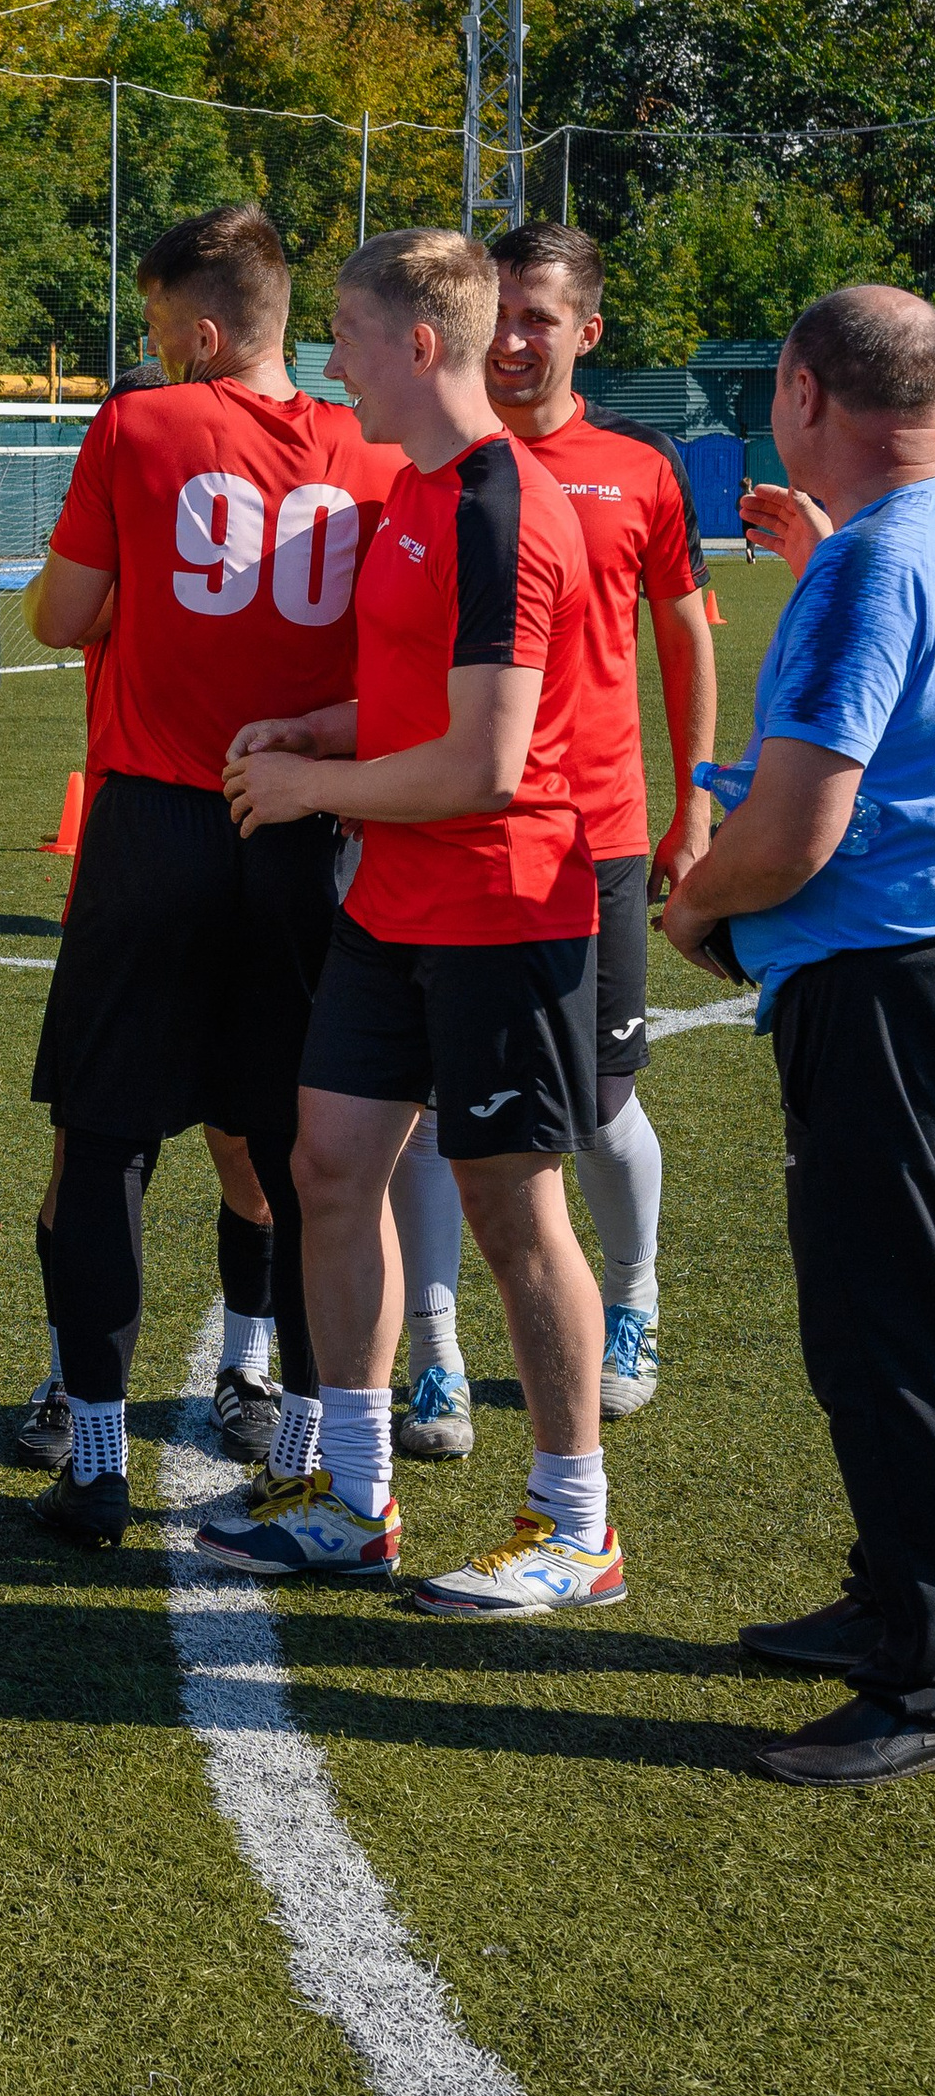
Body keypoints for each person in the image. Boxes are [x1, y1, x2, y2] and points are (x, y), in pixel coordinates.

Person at [205, 228, 623, 1619]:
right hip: (395, 902)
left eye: (347, 333)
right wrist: (315, 724)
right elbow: (413, 699)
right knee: (330, 1167)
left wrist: (309, 781)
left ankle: (574, 1520)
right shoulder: (414, 495)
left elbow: (486, 762)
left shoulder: (506, 505)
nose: (331, 360)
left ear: (418, 347)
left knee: (513, 1209)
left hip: (506, 910)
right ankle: (354, 1499)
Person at [19, 205, 403, 1541]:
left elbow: (59, 613)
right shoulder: (374, 449)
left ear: (197, 328)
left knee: (108, 1142)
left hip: (154, 825)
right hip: (303, 829)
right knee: (308, 1160)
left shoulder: (140, 425)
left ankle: (98, 1459)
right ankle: (298, 1439)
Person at [385, 222, 714, 1462]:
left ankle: (629, 1300)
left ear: (586, 333)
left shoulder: (634, 470)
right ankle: (434, 1354)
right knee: (420, 1107)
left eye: (539, 317)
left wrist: (695, 801)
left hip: (593, 842)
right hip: (437, 834)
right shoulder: (423, 465)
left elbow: (682, 632)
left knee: (596, 1104)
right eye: (500, 312)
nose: (514, 339)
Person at [666, 284, 935, 1785]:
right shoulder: (899, 546)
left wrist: (704, 902)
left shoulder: (872, 571)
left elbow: (802, 825)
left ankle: (918, 1666)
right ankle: (892, 1590)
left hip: (873, 983)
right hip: (916, 963)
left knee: (880, 1320)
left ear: (804, 392)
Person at [12, 357, 286, 1477]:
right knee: (91, 1143)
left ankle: (247, 1362)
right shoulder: (139, 546)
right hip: (143, 855)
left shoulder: (213, 535)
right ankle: (75, 1377)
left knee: (243, 1143)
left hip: (220, 840)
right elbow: (68, 608)